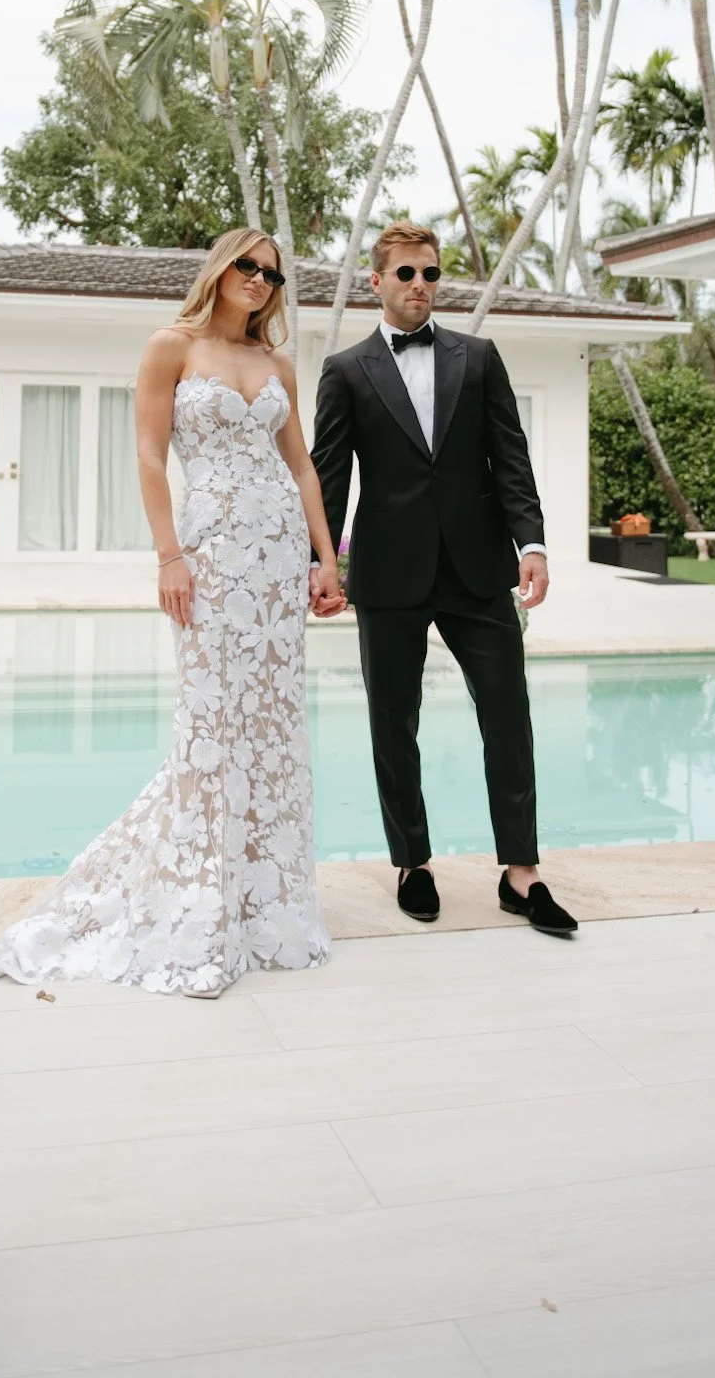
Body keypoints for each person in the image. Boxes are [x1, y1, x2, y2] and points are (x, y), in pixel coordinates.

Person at [0, 227, 341, 999]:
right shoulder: (169, 347)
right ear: (218, 269)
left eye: (272, 275)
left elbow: (301, 466)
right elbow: (148, 455)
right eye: (247, 266)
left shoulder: (276, 362)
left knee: (271, 725)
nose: (258, 281)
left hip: (278, 562)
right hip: (210, 556)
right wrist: (169, 556)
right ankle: (200, 907)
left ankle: (266, 908)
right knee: (210, 726)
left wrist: (325, 560)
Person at [311, 219, 578, 937]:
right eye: (406, 274)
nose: (420, 286)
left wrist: (533, 543)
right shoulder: (344, 370)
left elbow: (509, 459)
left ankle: (521, 873)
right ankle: (412, 862)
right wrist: (320, 565)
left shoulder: (480, 358)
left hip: (477, 568)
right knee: (392, 724)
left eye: (430, 273)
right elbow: (327, 478)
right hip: (388, 573)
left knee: (507, 714)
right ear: (378, 281)